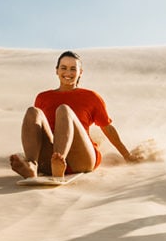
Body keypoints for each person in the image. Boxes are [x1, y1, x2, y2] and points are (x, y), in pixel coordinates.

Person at [9, 50, 139, 179]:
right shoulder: (43, 97)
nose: (68, 73)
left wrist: (127, 155)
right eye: (63, 68)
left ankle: (59, 162)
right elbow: (36, 133)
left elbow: (107, 128)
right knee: (32, 112)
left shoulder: (91, 97)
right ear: (56, 70)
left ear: (80, 72)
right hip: (49, 158)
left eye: (73, 69)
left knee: (64, 110)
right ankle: (32, 165)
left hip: (82, 158)